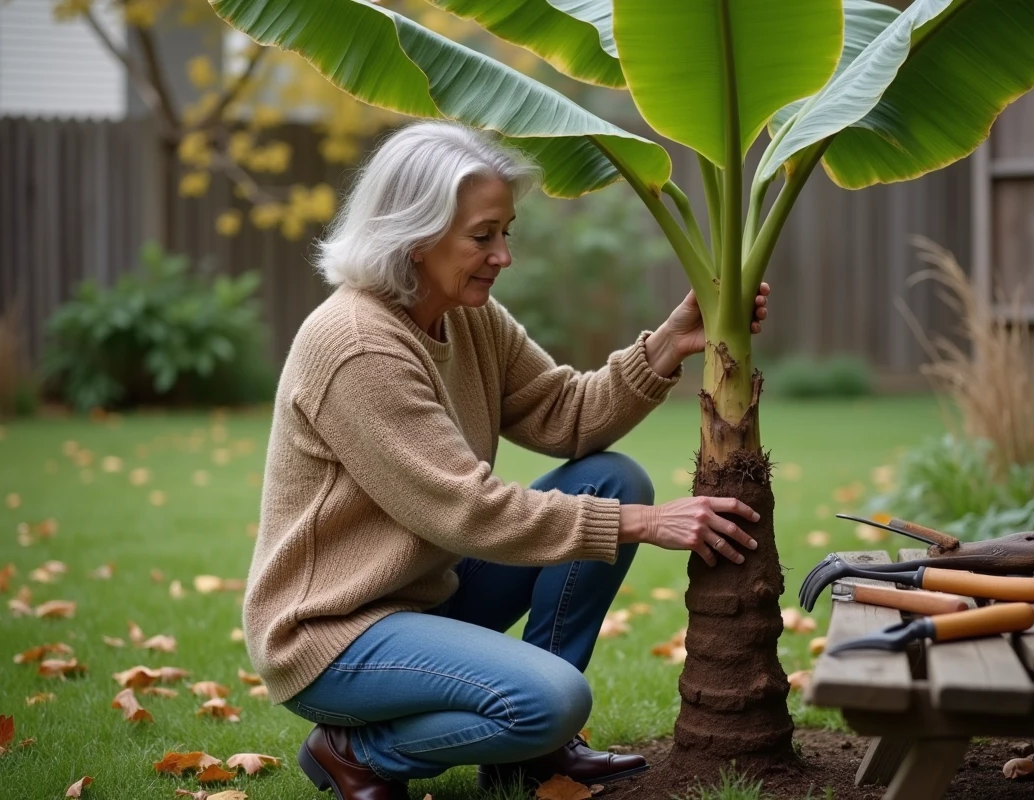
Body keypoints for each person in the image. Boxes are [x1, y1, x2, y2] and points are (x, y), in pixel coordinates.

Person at [243, 120, 771, 800]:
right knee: (552, 700)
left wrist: (668, 344)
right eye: (482, 236)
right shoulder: (357, 346)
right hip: (334, 634)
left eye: (505, 233)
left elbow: (564, 413)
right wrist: (642, 523)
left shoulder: (466, 315)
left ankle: (531, 758)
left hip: (425, 600)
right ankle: (360, 751)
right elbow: (465, 510)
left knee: (610, 476)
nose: (503, 256)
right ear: (415, 233)